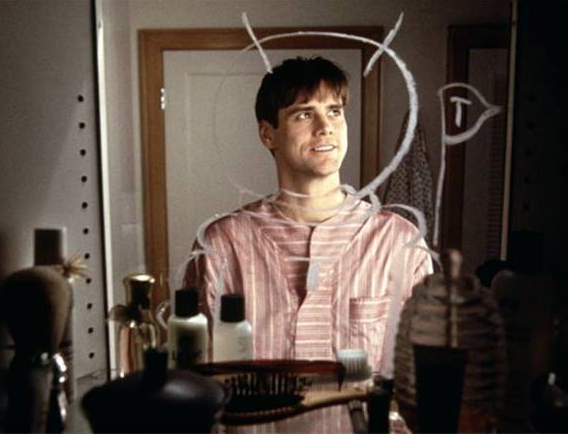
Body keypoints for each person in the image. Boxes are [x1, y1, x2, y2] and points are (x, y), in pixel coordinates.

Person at [183, 56, 432, 373]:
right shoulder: (221, 245)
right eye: (304, 114)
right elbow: (196, 375)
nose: (325, 127)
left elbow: (422, 375)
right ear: (267, 134)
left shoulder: (400, 243)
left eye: (334, 112)